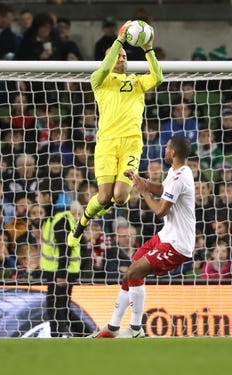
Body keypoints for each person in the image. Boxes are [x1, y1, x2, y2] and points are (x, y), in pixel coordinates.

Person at [68, 20, 162, 248]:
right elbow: (103, 67)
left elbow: (158, 77)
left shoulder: (136, 82)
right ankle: (81, 224)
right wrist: (119, 40)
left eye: (124, 56)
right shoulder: (100, 81)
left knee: (119, 198)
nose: (122, 58)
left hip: (131, 145)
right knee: (102, 198)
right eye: (117, 55)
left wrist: (148, 49)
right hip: (107, 145)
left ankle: (117, 195)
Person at [92, 135, 195, 339]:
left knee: (136, 273)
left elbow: (160, 211)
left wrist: (143, 193)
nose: (164, 151)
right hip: (165, 236)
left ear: (173, 152)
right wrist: (141, 181)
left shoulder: (180, 177)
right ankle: (112, 327)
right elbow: (162, 189)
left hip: (177, 244)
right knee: (131, 270)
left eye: (166, 148)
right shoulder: (179, 171)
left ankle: (136, 328)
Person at [40, 185, 83, 337]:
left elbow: (65, 248)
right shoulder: (54, 218)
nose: (37, 199)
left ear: (47, 197)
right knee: (61, 307)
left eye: (40, 195)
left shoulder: (61, 219)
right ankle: (84, 333)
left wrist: (61, 274)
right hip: (57, 270)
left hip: (61, 272)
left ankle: (59, 336)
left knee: (57, 307)